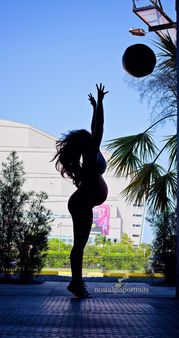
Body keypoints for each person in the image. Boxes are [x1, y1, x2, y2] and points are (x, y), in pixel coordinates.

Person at [52, 83, 108, 298]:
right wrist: (101, 103)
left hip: (82, 202)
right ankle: (76, 284)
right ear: (89, 143)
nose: (94, 136)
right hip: (81, 203)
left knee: (79, 245)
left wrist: (94, 107)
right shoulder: (91, 155)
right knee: (79, 245)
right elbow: (99, 128)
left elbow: (95, 129)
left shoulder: (90, 154)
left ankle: (76, 283)